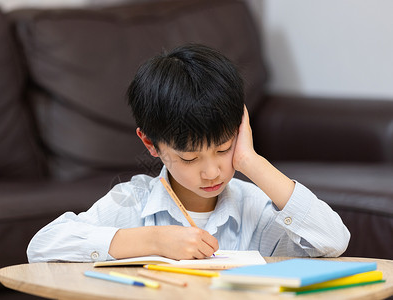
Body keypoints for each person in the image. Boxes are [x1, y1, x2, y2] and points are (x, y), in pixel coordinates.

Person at [27, 44, 350, 263]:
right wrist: (153, 242)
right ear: (150, 143)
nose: (212, 172)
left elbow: (334, 240)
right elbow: (42, 247)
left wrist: (250, 161)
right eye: (189, 158)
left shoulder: (256, 207)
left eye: (223, 149)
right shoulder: (132, 202)